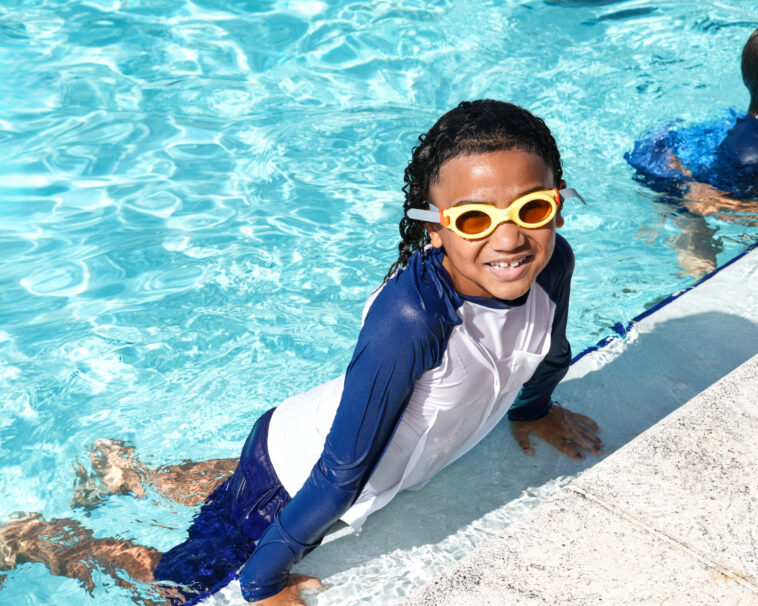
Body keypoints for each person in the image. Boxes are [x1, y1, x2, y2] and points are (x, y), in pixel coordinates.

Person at [0, 100, 602, 605]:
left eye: (532, 209)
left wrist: (534, 410)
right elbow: (340, 470)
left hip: (311, 446)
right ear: (433, 227)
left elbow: (550, 351)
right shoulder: (413, 317)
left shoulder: (551, 266)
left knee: (236, 496)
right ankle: (38, 538)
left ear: (556, 203)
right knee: (179, 586)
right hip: (296, 479)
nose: (509, 239)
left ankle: (130, 474)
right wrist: (260, 583)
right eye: (474, 219)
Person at [627, 29, 758, 277]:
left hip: (700, 157)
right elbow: (721, 206)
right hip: (676, 186)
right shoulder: (750, 156)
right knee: (700, 256)